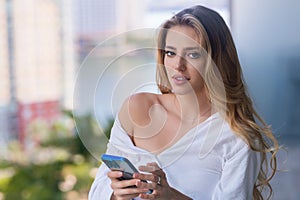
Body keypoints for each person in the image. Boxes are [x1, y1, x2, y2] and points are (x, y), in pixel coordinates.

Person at [88, 5, 279, 200]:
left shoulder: (237, 137)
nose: (178, 66)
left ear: (216, 60)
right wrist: (116, 195)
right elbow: (98, 191)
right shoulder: (137, 109)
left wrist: (171, 197)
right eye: (170, 53)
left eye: (193, 54)